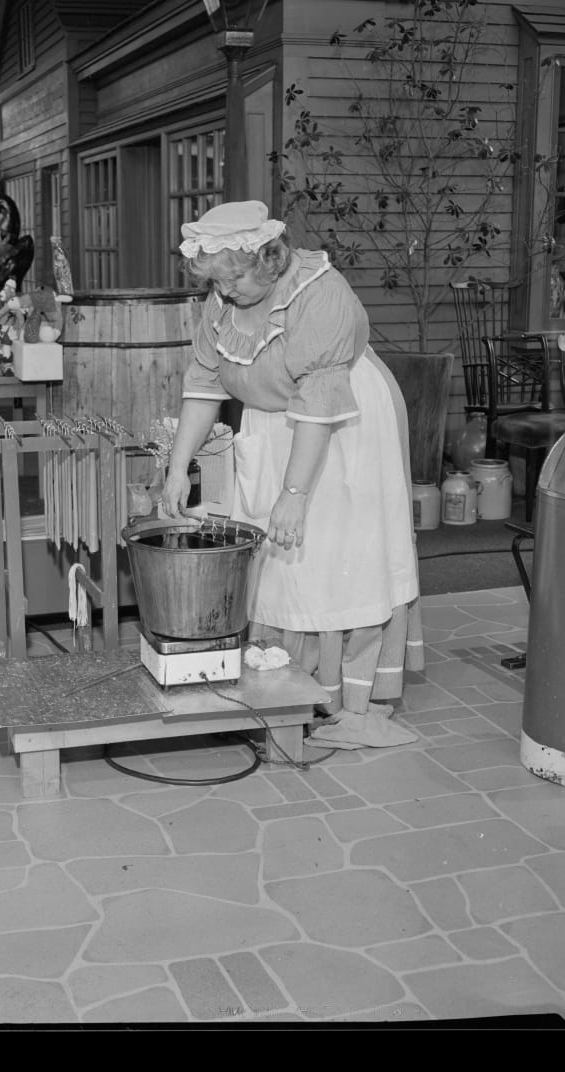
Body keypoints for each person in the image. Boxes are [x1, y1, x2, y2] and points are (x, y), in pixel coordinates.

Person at [161, 201, 421, 749]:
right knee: (281, 563)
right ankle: (290, 683)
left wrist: (295, 493)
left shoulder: (319, 294)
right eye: (216, 283)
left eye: (233, 280)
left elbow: (318, 403)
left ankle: (347, 701)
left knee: (336, 557)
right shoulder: (223, 300)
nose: (224, 292)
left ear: (269, 260)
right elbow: (204, 383)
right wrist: (178, 466)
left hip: (340, 423)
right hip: (276, 422)